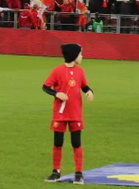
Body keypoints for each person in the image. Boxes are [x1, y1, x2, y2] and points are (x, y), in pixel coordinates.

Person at [42, 43, 94, 184]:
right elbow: (45, 87)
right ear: (73, 55)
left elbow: (84, 86)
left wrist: (89, 91)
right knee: (58, 142)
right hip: (60, 113)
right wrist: (57, 93)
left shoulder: (80, 71)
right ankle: (56, 172)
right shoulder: (57, 71)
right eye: (80, 53)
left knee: (76, 142)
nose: (82, 56)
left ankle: (78, 173)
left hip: (75, 113)